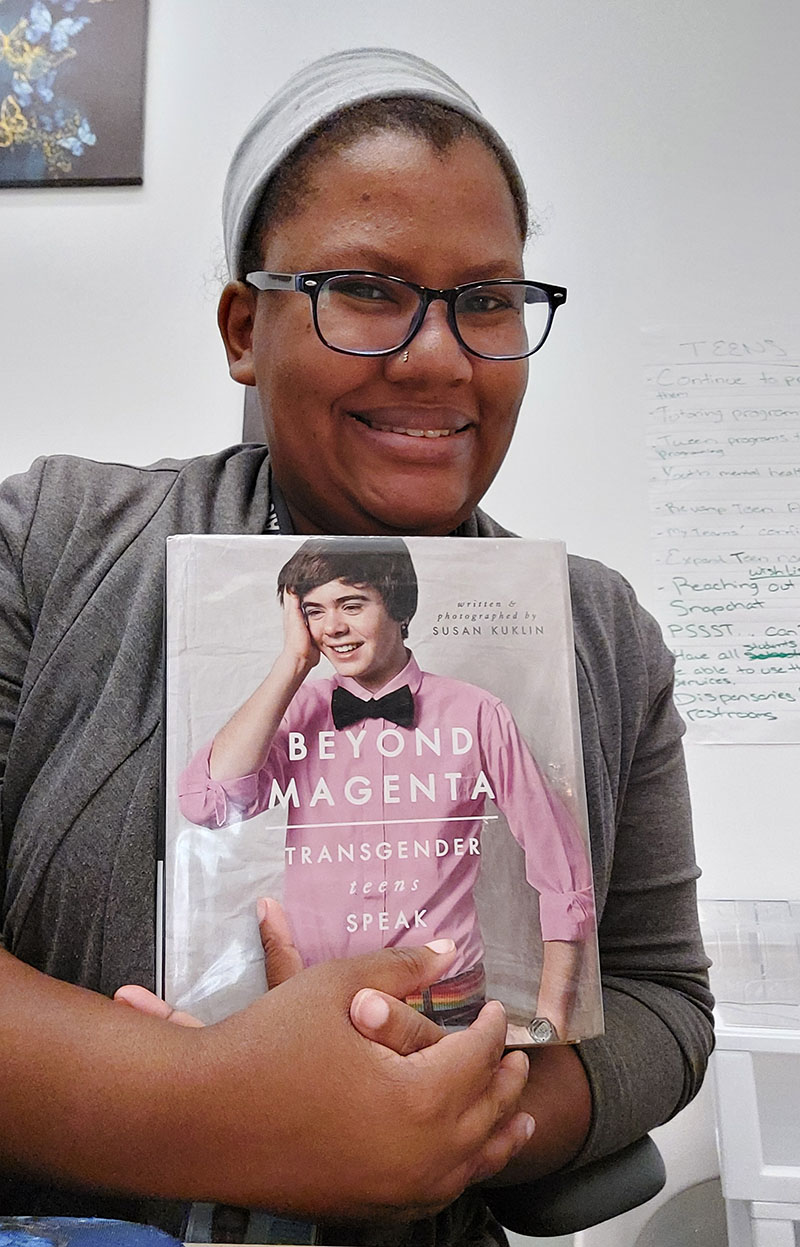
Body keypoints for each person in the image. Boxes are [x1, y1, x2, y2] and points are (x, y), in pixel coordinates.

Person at [0, 45, 714, 1247]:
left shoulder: (596, 632)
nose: (439, 357)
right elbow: (217, 794)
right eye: (366, 290)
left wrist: (465, 1118)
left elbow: (659, 998)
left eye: (487, 299)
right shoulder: (51, 542)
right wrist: (211, 1107)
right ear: (244, 325)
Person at [178, 535, 594, 1039]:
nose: (332, 628)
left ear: (398, 607)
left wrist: (551, 1022)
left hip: (445, 1002)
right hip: (316, 1000)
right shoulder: (294, 711)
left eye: (352, 605)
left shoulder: (477, 713)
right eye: (314, 611)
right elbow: (207, 803)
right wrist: (292, 663)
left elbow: (561, 867)